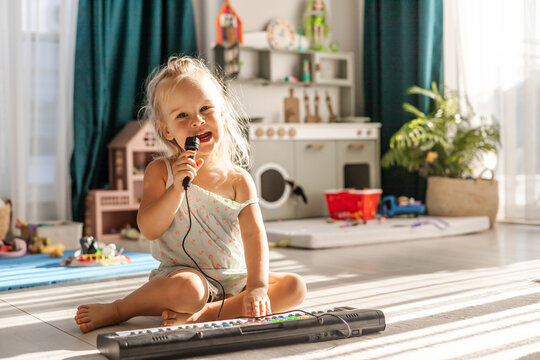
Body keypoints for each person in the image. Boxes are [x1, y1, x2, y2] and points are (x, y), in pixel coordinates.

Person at [74, 57, 307, 333]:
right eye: (182, 115)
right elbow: (149, 228)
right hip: (184, 277)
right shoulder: (160, 171)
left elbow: (254, 236)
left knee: (295, 288)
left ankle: (203, 316)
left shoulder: (239, 180)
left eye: (205, 109)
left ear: (221, 113)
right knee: (190, 290)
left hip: (234, 280)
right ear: (166, 130)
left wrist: (256, 287)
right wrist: (175, 189)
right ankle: (120, 308)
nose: (197, 121)